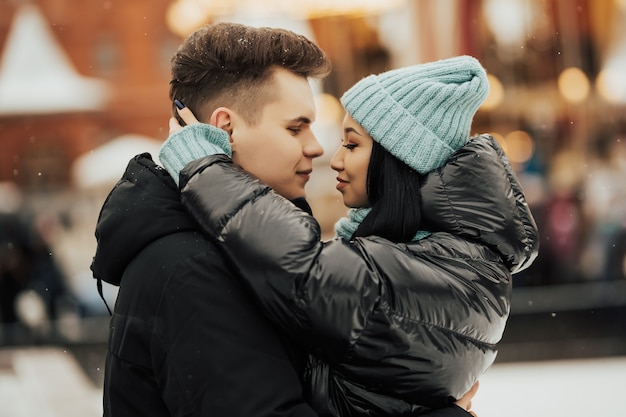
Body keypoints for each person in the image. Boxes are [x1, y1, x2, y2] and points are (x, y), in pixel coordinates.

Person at [91, 23, 475, 417]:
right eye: (296, 127)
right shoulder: (193, 266)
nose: (317, 146)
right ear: (227, 128)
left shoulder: (237, 247)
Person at [159, 56, 539, 416]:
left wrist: (204, 167)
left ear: (401, 159)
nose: (334, 158)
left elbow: (307, 273)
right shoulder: (448, 255)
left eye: (353, 144)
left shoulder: (453, 268)